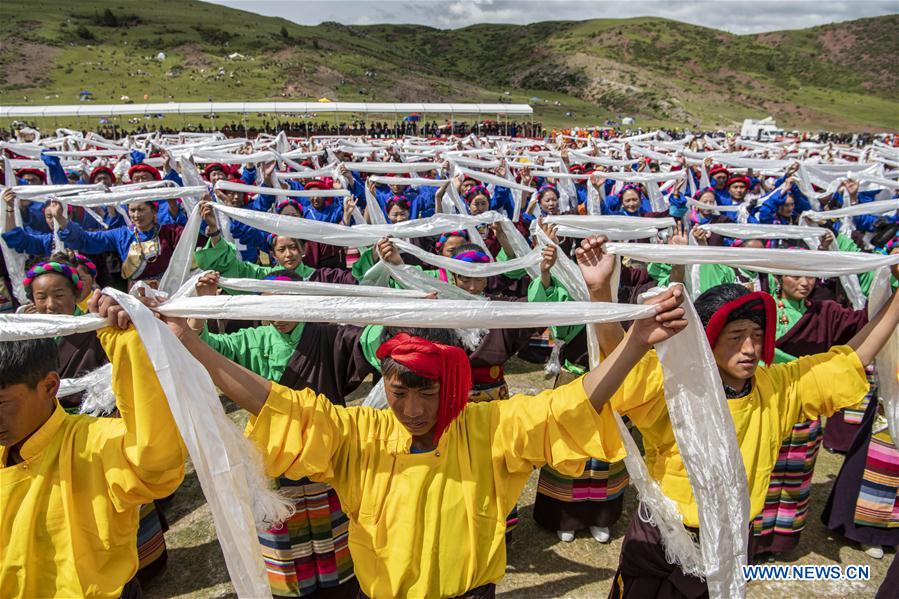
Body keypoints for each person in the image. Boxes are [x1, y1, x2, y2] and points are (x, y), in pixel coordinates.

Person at [156, 236, 687, 598]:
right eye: (398, 390)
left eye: (426, 393)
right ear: (383, 382)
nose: (411, 410)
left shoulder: (488, 428)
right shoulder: (358, 435)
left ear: (452, 385)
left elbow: (575, 401)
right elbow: (271, 402)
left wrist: (635, 340)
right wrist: (189, 341)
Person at [599, 240, 899, 598]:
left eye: (757, 336)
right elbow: (620, 362)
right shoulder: (676, 383)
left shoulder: (777, 388)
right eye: (736, 336)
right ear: (707, 341)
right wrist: (598, 288)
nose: (750, 348)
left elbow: (850, 358)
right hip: (659, 536)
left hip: (729, 540)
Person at [0, 291, 187, 598]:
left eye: (1, 402)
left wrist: (127, 346)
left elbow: (157, 464)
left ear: (49, 386)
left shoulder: (93, 443)